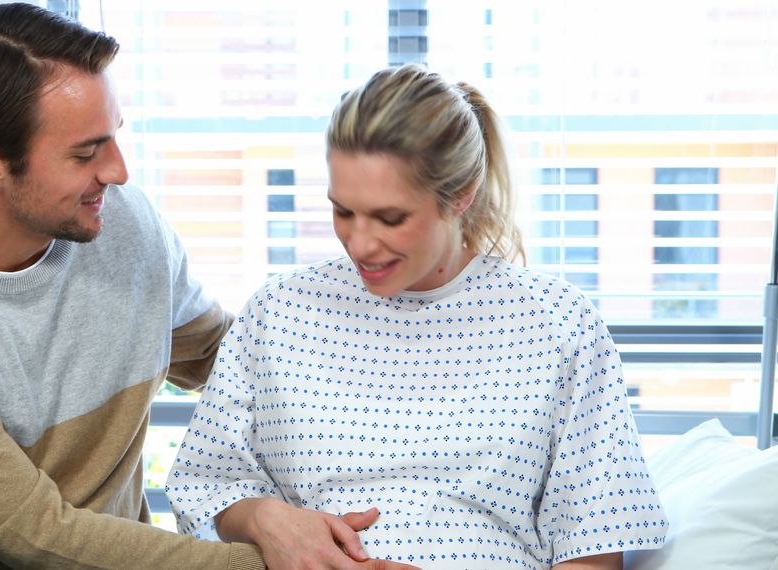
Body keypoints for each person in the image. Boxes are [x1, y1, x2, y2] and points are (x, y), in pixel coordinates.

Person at [0, 4, 420, 569]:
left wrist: (396, 383)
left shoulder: (122, 225)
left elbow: (228, 360)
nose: (118, 171)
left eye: (113, 136)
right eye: (87, 152)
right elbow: (40, 536)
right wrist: (266, 561)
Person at [166, 64, 669, 570]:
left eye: (390, 218)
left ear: (461, 195)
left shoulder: (559, 325)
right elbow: (207, 483)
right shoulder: (279, 312)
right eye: (343, 211)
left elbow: (591, 546)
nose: (359, 243)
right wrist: (264, 518)